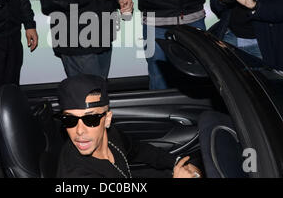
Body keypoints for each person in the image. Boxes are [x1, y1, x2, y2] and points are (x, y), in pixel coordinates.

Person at [56, 74, 202, 178]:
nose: (79, 131)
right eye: (69, 120)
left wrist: (178, 163)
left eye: (91, 119)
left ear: (107, 119)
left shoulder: (112, 135)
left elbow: (140, 150)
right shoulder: (76, 174)